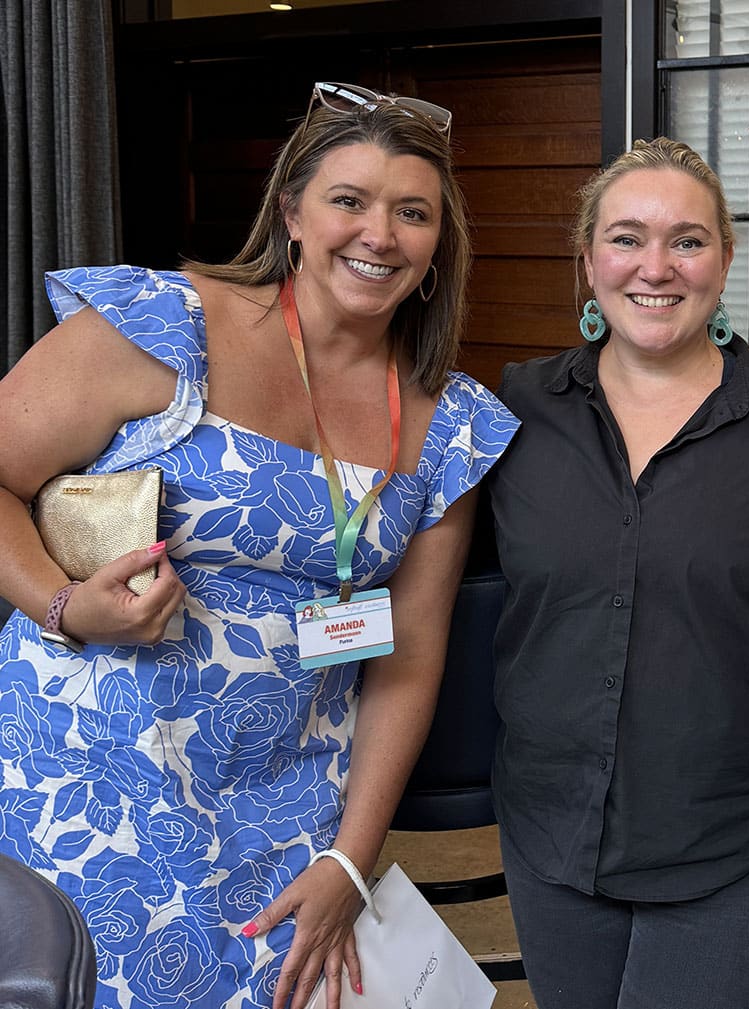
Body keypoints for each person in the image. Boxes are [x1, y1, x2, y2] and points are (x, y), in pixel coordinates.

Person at [0, 82, 518, 1009]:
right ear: (291, 213)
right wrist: (63, 603)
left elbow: (407, 653)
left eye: (413, 213)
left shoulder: (451, 424)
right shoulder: (165, 327)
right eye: (349, 200)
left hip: (286, 804)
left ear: (440, 243)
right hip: (87, 782)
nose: (379, 234)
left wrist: (350, 859)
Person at [485, 137, 749, 1009]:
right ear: (587, 258)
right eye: (627, 237)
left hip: (733, 840)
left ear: (725, 258)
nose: (656, 267)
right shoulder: (513, 411)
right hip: (551, 830)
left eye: (688, 240)